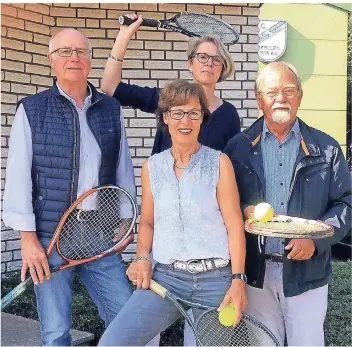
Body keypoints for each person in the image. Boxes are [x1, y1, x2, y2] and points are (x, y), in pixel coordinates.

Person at [2, 28, 136, 346]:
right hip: (50, 237)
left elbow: (122, 169)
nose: (73, 57)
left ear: (90, 60)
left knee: (127, 319)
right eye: (64, 52)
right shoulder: (31, 110)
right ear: (51, 60)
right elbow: (18, 175)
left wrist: (125, 220)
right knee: (56, 331)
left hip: (98, 233)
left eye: (80, 51)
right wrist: (28, 240)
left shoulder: (110, 109)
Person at [98, 80, 247, 346]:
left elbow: (235, 225)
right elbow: (147, 222)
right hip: (166, 279)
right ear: (165, 117)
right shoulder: (152, 166)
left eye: (193, 112)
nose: (185, 120)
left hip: (216, 280)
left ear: (203, 118)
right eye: (177, 113)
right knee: (113, 342)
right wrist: (142, 257)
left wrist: (237, 280)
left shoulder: (219, 163)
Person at [224, 61, 352, 346]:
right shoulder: (238, 147)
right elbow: (224, 201)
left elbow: (346, 204)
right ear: (259, 99)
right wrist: (244, 208)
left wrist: (315, 241)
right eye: (271, 92)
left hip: (307, 274)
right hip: (256, 273)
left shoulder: (327, 148)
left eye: (288, 90)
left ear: (300, 95)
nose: (280, 98)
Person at [101, 14, 241, 154]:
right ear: (190, 64)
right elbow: (110, 86)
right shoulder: (168, 98)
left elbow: (233, 164)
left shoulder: (229, 114)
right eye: (202, 57)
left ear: (223, 67)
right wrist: (124, 35)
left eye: (216, 59)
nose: (209, 63)